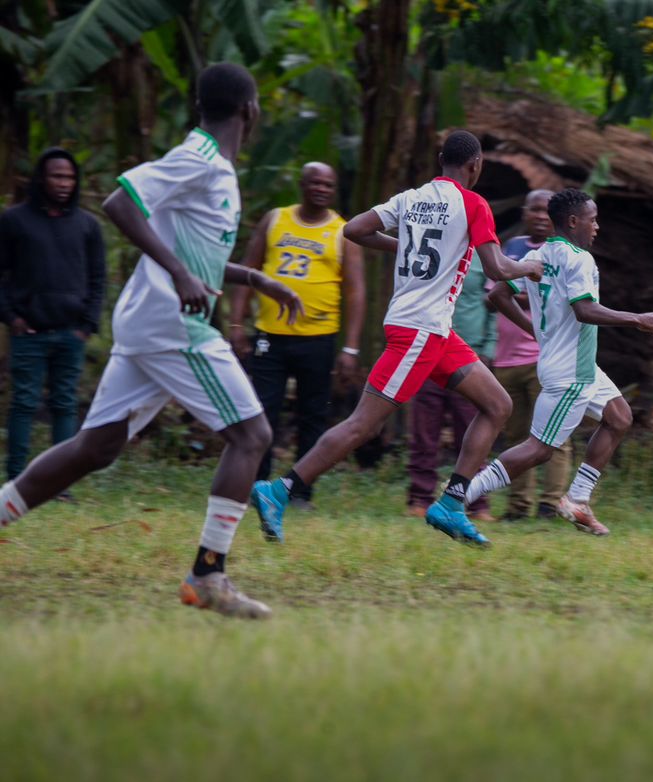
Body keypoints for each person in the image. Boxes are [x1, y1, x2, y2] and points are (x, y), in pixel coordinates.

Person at [0, 63, 304, 619]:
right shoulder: (199, 159)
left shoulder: (214, 167)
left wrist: (254, 278)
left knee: (95, 448)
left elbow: (193, 253)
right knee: (252, 435)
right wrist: (179, 275)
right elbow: (120, 202)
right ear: (250, 110)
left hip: (149, 322)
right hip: (172, 325)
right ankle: (208, 575)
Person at [250, 130, 542, 547]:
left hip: (434, 330)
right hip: (419, 331)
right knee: (362, 425)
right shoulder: (473, 204)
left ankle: (452, 503)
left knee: (497, 405)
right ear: (475, 165)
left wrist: (404, 245)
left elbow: (355, 229)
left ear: (441, 160)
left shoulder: (411, 198)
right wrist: (531, 267)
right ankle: (279, 490)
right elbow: (497, 268)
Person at [471, 188, 653, 535]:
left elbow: (500, 294)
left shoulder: (538, 254)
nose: (597, 226)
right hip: (571, 373)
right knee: (538, 450)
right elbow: (585, 310)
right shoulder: (579, 259)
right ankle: (459, 494)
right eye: (593, 220)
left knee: (619, 417)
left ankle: (577, 500)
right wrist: (636, 318)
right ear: (575, 221)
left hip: (579, 365)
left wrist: (536, 330)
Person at [228, 162, 366, 510]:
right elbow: (247, 270)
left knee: (312, 415)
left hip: (318, 337)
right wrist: (236, 324)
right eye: (315, 183)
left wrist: (351, 347)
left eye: (328, 185)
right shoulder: (275, 219)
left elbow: (355, 292)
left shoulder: (342, 231)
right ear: (302, 186)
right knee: (262, 411)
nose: (321, 189)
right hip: (270, 335)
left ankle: (300, 492)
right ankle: (256, 485)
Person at [0, 148, 106, 483]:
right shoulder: (14, 220)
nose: (64, 183)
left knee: (64, 404)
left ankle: (59, 483)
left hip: (70, 332)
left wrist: (87, 325)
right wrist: (12, 318)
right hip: (28, 332)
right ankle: (16, 479)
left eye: (70, 177)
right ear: (41, 179)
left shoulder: (88, 225)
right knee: (24, 403)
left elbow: (98, 278)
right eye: (57, 176)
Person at [487, 189, 573, 521]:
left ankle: (551, 504)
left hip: (546, 359)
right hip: (506, 359)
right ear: (524, 213)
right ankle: (518, 506)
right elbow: (492, 296)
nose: (539, 216)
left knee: (554, 434)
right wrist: (524, 291)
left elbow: (560, 300)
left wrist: (518, 291)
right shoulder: (512, 248)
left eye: (545, 211)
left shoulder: (564, 253)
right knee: (516, 436)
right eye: (533, 210)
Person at [406, 262, 496, 519]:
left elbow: (493, 305)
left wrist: (489, 348)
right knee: (424, 430)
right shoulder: (433, 254)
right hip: (430, 351)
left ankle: (476, 502)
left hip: (469, 356)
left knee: (470, 429)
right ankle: (420, 497)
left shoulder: (484, 258)